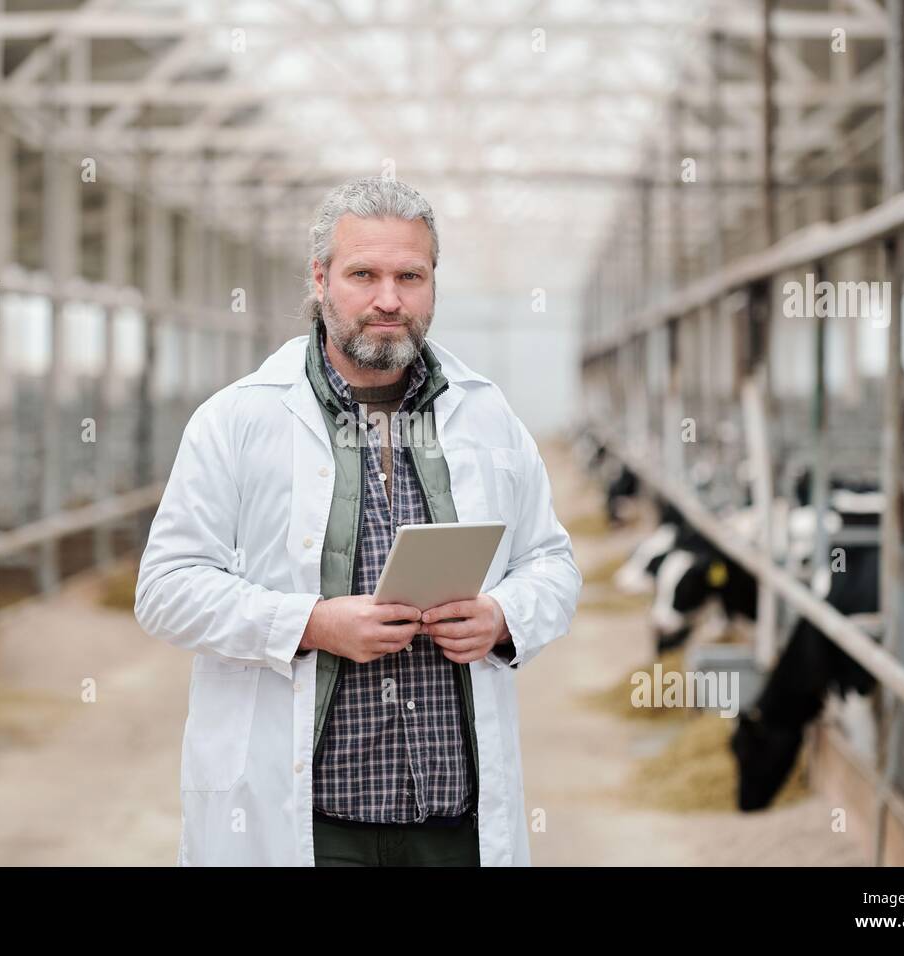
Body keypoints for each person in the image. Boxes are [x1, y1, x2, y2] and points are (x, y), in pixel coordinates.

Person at [134, 176, 581, 866]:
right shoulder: (239, 419)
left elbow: (553, 563)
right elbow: (165, 589)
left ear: (434, 282)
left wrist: (502, 616)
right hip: (312, 824)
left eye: (411, 275)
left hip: (453, 825)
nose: (388, 300)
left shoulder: (486, 414)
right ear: (320, 278)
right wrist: (312, 624)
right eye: (363, 273)